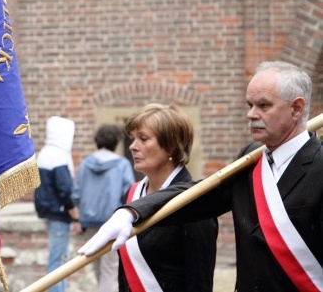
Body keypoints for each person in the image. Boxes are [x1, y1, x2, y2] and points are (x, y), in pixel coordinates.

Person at [79, 61, 323, 291]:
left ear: (297, 108)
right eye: (250, 105)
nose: (251, 114)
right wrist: (131, 211)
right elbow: (201, 193)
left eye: (263, 105)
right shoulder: (252, 157)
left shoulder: (319, 165)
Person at [120, 104, 217, 291]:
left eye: (143, 139)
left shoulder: (193, 202)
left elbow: (199, 280)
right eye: (133, 139)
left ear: (170, 146)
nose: (132, 146)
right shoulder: (132, 194)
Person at [72, 124, 135, 292]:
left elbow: (76, 193)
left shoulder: (86, 164)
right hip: (112, 221)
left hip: (89, 221)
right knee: (109, 267)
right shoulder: (122, 164)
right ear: (116, 142)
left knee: (96, 264)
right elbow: (128, 193)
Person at [34, 116, 81, 292]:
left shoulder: (45, 153)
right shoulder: (59, 156)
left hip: (49, 212)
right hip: (59, 214)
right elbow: (65, 191)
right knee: (58, 261)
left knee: (58, 259)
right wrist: (75, 218)